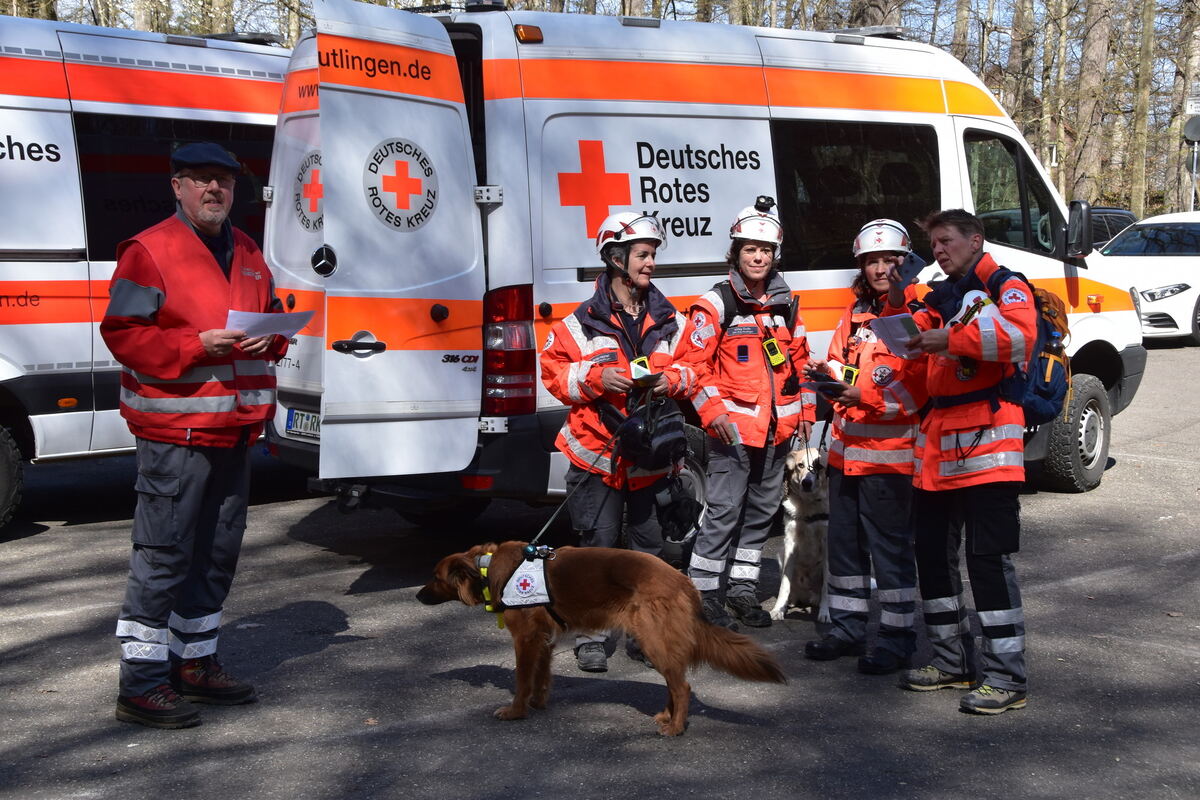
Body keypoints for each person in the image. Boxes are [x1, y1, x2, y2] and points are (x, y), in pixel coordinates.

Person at [102, 142, 288, 728]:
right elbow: (124, 333)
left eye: (224, 182)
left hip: (234, 432)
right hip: (175, 432)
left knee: (215, 556)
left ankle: (195, 665)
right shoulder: (149, 251)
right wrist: (193, 346)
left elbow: (274, 315)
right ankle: (142, 685)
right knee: (163, 557)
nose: (215, 191)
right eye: (202, 180)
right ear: (177, 186)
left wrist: (274, 338)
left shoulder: (250, 250)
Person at [883, 208, 1035, 715]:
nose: (939, 251)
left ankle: (1006, 677)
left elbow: (1019, 339)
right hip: (939, 452)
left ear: (976, 240)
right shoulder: (945, 297)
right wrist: (859, 394)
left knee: (987, 563)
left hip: (990, 451)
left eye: (947, 241)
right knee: (932, 557)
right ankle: (951, 661)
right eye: (935, 243)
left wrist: (949, 338)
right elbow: (923, 378)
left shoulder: (1005, 284)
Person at [540, 212, 696, 673]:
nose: (651, 265)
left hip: (649, 454)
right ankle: (590, 633)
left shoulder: (670, 319)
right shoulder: (578, 324)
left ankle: (642, 634)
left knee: (645, 551)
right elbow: (553, 374)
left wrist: (671, 381)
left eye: (653, 255)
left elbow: (695, 367)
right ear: (615, 259)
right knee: (597, 545)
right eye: (643, 256)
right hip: (597, 453)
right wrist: (595, 376)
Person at [683, 197, 815, 630]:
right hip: (732, 435)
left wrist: (806, 416)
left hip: (778, 433)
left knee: (761, 513)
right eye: (749, 249)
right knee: (722, 512)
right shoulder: (716, 304)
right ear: (735, 254)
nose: (757, 257)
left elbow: (800, 364)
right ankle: (702, 596)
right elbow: (690, 367)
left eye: (765, 250)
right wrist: (713, 413)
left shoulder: (785, 304)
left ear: (775, 255)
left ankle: (741, 590)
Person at [802, 219, 927, 674]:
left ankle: (897, 638)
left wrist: (865, 396)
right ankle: (848, 627)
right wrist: (827, 375)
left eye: (888, 260)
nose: (880, 269)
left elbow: (918, 390)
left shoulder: (918, 313)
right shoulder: (855, 315)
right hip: (844, 456)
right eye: (871, 261)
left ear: (904, 262)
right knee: (847, 550)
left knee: (890, 555)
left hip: (890, 461)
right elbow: (840, 361)